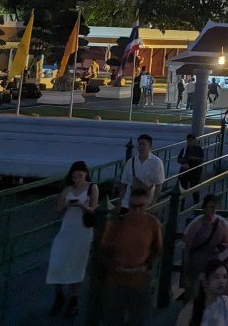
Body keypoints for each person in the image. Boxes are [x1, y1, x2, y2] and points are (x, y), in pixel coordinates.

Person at [101, 187, 163, 325]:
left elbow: (157, 248)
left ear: (147, 204)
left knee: (138, 317)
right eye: (133, 206)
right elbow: (104, 250)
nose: (137, 210)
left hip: (140, 278)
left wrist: (147, 265)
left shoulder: (153, 223)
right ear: (128, 205)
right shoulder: (118, 223)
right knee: (113, 317)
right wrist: (113, 267)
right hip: (116, 278)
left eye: (141, 206)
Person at [46, 160, 99, 318]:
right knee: (58, 260)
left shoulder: (92, 187)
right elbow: (59, 208)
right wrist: (68, 205)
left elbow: (93, 209)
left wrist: (82, 205)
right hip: (67, 229)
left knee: (77, 263)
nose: (77, 179)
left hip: (82, 230)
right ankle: (59, 295)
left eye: (80, 176)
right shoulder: (67, 189)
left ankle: (73, 299)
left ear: (86, 174)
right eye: (75, 177)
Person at [182, 195, 228, 302]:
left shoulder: (222, 224)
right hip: (196, 266)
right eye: (210, 206)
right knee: (193, 296)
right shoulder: (196, 225)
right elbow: (187, 248)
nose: (213, 210)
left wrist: (221, 247)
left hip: (213, 267)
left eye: (215, 206)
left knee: (211, 296)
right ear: (204, 208)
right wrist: (185, 271)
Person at [177, 258, 228, 326]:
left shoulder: (225, 302)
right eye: (216, 277)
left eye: (224, 277)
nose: (221, 281)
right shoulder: (191, 309)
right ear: (206, 281)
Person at [119, 133, 166, 213]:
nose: (141, 147)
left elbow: (158, 185)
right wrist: (120, 201)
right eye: (139, 144)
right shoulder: (131, 162)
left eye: (143, 144)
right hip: (128, 202)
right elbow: (124, 184)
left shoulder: (156, 162)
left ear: (150, 146)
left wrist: (153, 202)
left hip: (145, 203)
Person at [177, 133, 206, 205]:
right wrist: (183, 161)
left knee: (195, 188)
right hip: (185, 172)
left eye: (191, 140)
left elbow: (201, 159)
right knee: (183, 188)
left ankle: (196, 204)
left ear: (194, 141)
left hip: (195, 172)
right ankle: (181, 204)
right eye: (188, 140)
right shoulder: (184, 149)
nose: (189, 142)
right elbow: (178, 159)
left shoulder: (198, 149)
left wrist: (192, 158)